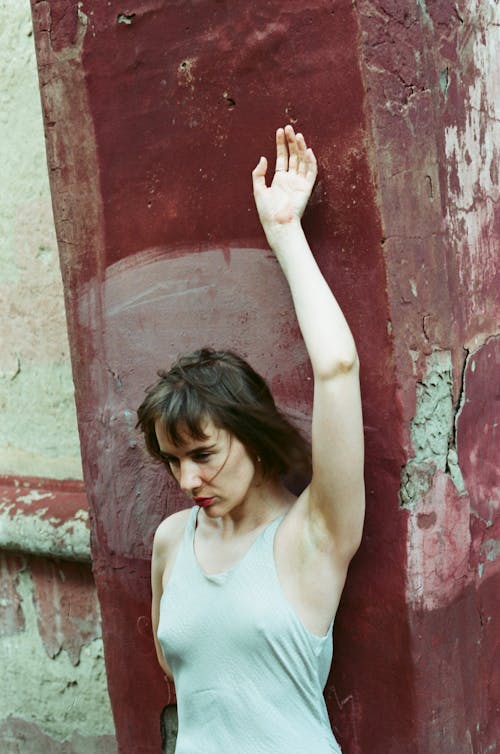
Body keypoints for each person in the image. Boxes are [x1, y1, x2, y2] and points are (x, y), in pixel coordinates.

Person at [137, 126, 365, 753]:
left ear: (253, 437)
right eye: (173, 460)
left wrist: (286, 234)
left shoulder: (313, 535)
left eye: (203, 454)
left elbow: (338, 370)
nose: (187, 482)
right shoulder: (170, 542)